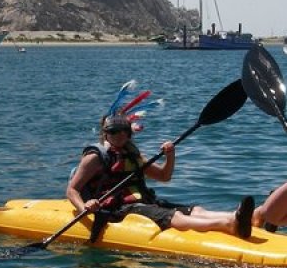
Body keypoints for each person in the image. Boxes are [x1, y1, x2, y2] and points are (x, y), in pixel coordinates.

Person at [66, 82, 255, 242]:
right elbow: (72, 190)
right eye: (114, 131)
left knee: (195, 209)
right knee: (175, 216)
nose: (120, 135)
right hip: (116, 208)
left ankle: (237, 218)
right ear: (106, 133)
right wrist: (86, 207)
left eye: (125, 131)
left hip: (142, 202)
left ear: (130, 133)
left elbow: (164, 177)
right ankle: (227, 225)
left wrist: (170, 155)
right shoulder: (95, 157)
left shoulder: (132, 155)